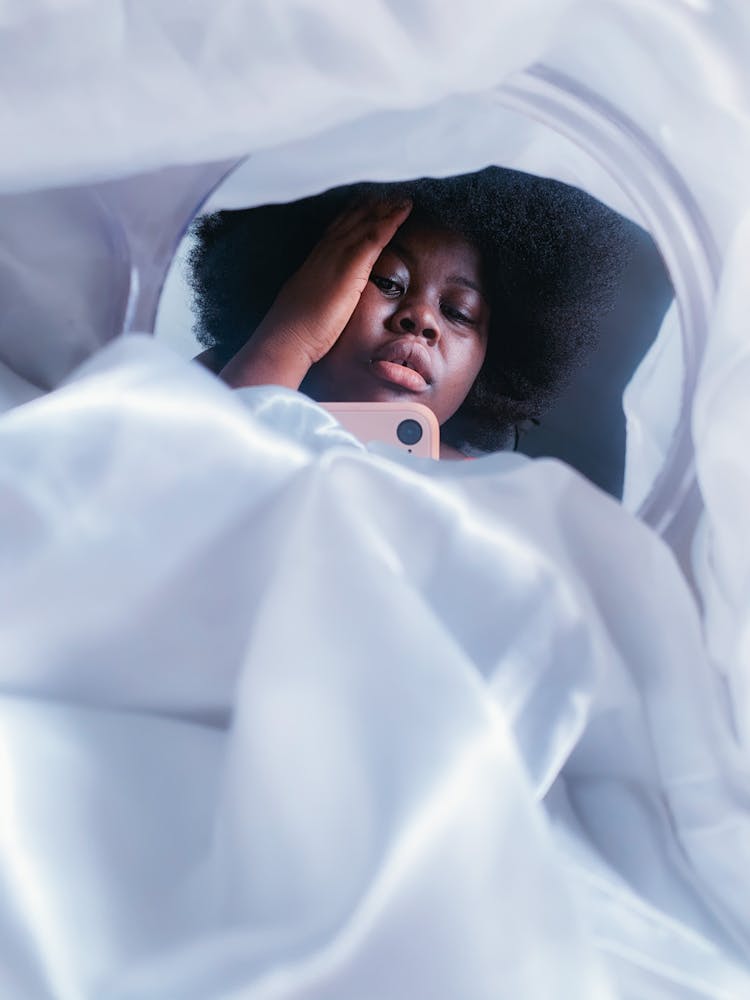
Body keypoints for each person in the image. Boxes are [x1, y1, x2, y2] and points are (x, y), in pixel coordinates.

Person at [188, 167, 630, 457]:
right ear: (306, 281)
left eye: (458, 311)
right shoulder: (213, 388)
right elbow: (198, 490)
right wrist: (290, 337)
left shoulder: (473, 494)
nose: (421, 318)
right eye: (387, 281)